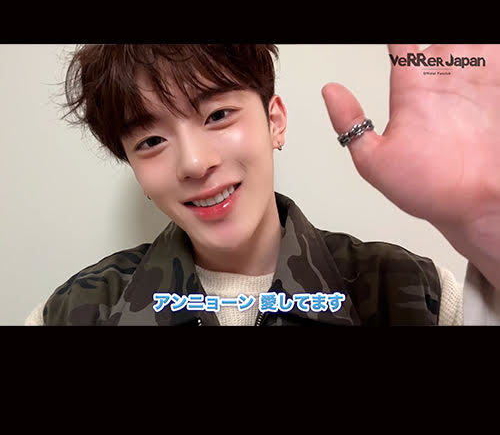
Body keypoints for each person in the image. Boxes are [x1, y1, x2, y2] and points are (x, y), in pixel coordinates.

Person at [25, 44, 500, 326]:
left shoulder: (413, 296)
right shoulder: (76, 312)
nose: (195, 163)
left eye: (218, 115)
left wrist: (488, 226)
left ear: (275, 121)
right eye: (151, 141)